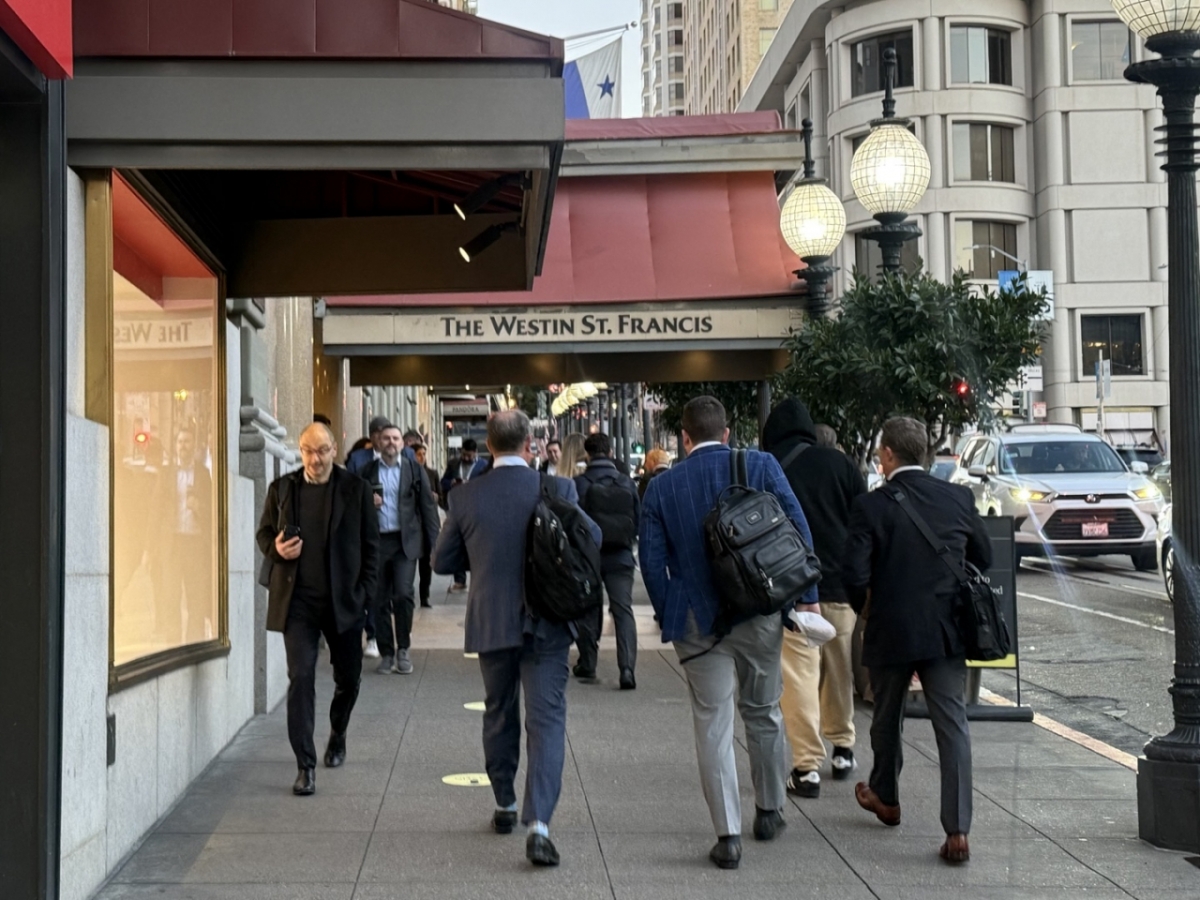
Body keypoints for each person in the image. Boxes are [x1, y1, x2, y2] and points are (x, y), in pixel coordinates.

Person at [639, 396, 818, 870]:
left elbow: (651, 563)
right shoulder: (760, 465)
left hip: (696, 622)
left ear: (684, 437)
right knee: (764, 710)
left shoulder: (662, 487)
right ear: (726, 432)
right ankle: (769, 810)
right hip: (759, 611)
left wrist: (670, 610)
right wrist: (807, 596)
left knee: (712, 722)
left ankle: (728, 835)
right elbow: (798, 530)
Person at [433, 410, 599, 867]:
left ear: (488, 446)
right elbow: (593, 536)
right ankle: (539, 822)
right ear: (529, 443)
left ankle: (504, 801)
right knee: (547, 720)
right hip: (548, 620)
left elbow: (442, 562)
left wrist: (480, 553)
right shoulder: (559, 490)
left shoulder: (465, 496)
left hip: (491, 621)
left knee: (499, 712)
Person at [842, 416, 992, 864]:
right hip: (946, 628)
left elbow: (854, 575)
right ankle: (958, 830)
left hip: (891, 626)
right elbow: (983, 555)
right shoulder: (957, 497)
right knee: (953, 725)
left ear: (888, 454)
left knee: (886, 717)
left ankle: (886, 797)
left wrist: (866, 609)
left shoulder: (871, 506)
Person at [255, 422, 379, 796]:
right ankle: (305, 765)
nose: (315, 459)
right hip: (298, 603)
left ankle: (338, 731)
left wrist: (364, 596)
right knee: (301, 677)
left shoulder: (356, 489)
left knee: (349, 679)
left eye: (322, 451)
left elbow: (371, 548)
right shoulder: (283, 489)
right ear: (300, 451)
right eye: (308, 451)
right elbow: (264, 533)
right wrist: (276, 549)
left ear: (334, 449)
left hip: (344, 602)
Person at [763, 399, 867, 799]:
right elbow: (862, 522)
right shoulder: (841, 464)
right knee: (839, 669)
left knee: (800, 676)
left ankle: (806, 767)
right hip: (839, 586)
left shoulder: (770, 467)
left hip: (792, 588)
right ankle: (843, 748)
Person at [362, 425, 440, 675]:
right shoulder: (367, 472)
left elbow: (427, 507)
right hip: (377, 543)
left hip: (405, 542)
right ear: (378, 442)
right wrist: (367, 502)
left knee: (404, 594)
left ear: (402, 443)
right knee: (378, 598)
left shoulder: (414, 470)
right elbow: (353, 507)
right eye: (386, 438)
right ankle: (387, 653)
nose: (391, 442)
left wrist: (435, 544)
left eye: (395, 438)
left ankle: (403, 648)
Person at [573, 431, 641, 689]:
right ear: (611, 452)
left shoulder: (580, 484)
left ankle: (588, 662)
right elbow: (637, 519)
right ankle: (627, 668)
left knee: (589, 608)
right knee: (623, 610)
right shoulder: (626, 483)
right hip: (621, 556)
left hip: (588, 558)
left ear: (587, 455)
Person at [153, 427, 213, 645]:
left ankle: (194, 647)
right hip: (173, 544)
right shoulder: (166, 473)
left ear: (194, 445)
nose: (183, 446)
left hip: (195, 544)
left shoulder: (203, 474)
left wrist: (199, 507)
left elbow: (213, 511)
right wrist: (151, 549)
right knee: (171, 597)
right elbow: (156, 511)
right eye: (179, 442)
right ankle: (174, 646)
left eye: (187, 442)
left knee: (196, 599)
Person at [440, 438, 488, 590]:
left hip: (476, 508)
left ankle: (478, 579)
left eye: (469, 455)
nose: (466, 458)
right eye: (464, 455)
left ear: (476, 453)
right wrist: (451, 483)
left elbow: (488, 484)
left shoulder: (484, 465)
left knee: (476, 544)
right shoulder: (454, 464)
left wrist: (472, 485)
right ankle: (459, 580)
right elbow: (443, 481)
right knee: (457, 543)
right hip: (456, 508)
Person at [413, 443, 440, 608]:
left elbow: (441, 496)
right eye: (418, 454)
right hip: (413, 522)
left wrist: (436, 497)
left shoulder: (432, 473)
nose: (422, 457)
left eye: (424, 454)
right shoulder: (408, 473)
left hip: (428, 522)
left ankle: (425, 596)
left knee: (426, 563)